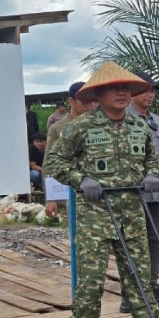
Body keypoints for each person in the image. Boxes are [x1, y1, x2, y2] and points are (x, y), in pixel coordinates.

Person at [45, 62, 159, 318]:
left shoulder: (139, 126)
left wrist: (152, 174)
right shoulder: (80, 127)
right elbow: (55, 162)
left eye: (127, 89)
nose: (122, 93)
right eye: (115, 89)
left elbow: (152, 159)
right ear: (100, 94)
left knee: (139, 275)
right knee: (91, 280)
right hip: (95, 216)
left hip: (132, 214)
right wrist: (80, 180)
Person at [127, 72, 159, 308]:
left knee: (154, 240)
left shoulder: (157, 121)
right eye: (145, 90)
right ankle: (132, 290)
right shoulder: (122, 118)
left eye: (152, 90)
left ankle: (153, 284)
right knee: (131, 241)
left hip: (157, 192)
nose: (150, 95)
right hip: (131, 192)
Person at [44, 82, 96, 219]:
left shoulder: (100, 124)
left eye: (91, 100)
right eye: (83, 100)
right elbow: (49, 163)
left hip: (97, 187)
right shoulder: (58, 127)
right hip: (71, 187)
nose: (88, 104)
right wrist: (51, 198)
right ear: (71, 101)